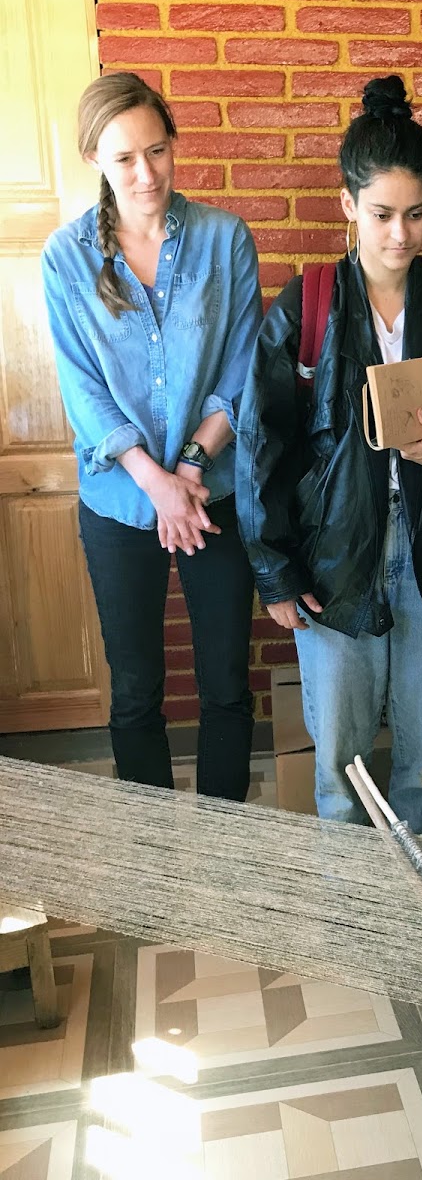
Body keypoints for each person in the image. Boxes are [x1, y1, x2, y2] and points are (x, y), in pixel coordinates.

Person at [236, 75, 422, 836]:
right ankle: (356, 921)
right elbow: (261, 443)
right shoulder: (307, 306)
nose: (400, 233)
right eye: (381, 214)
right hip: (334, 558)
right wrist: (274, 569)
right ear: (347, 205)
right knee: (339, 766)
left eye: (416, 213)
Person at [41, 73, 261, 800]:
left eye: (157, 151)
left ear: (173, 144)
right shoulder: (65, 258)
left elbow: (244, 363)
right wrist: (153, 478)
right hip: (118, 500)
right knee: (136, 689)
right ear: (96, 162)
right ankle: (155, 860)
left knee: (226, 680)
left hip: (213, 491)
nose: (146, 174)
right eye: (124, 159)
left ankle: (228, 840)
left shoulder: (226, 240)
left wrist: (193, 465)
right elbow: (83, 390)